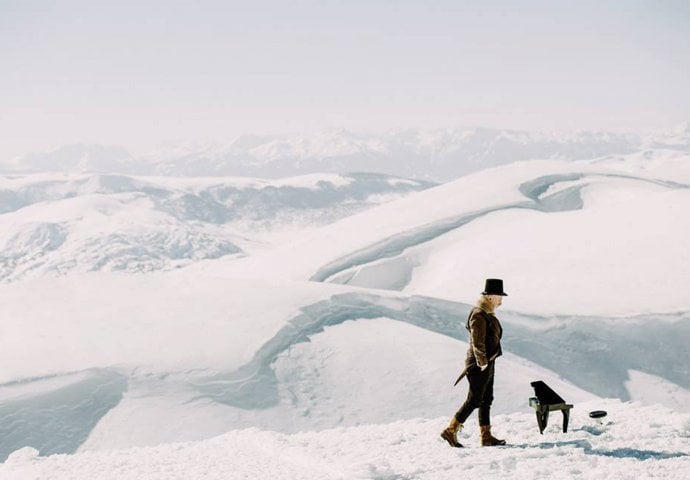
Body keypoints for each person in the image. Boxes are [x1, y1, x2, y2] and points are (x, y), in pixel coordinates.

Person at [440, 278, 508, 448]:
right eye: (499, 296)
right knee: (475, 399)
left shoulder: (487, 313)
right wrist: (482, 361)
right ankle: (450, 430)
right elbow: (477, 342)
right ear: (491, 297)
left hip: (488, 362)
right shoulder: (478, 314)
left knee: (486, 399)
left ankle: (486, 436)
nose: (501, 300)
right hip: (479, 364)